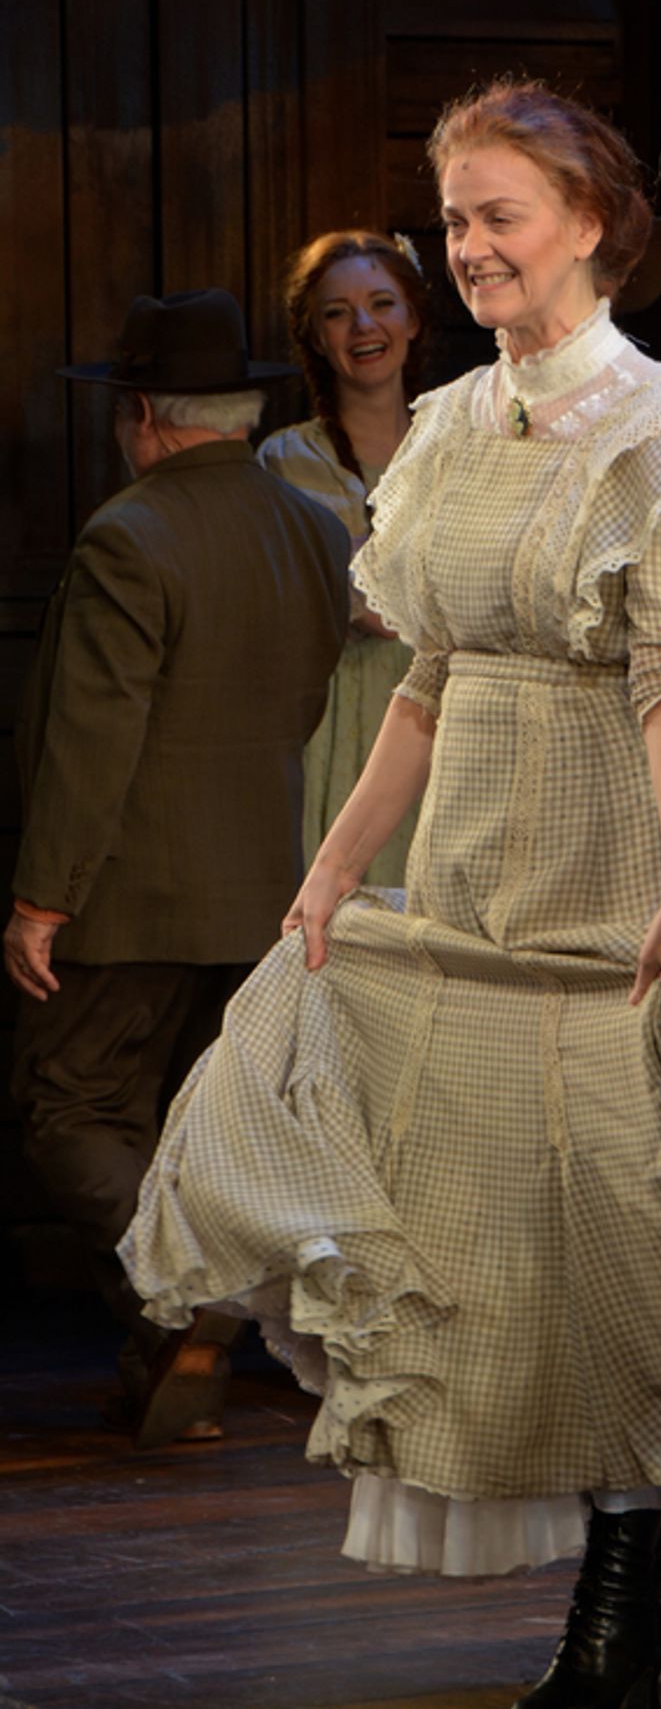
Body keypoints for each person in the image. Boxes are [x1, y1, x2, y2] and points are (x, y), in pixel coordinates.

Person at [121, 89, 661, 1709]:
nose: (475, 246)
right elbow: (427, 682)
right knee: (526, 1270)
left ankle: (630, 1615)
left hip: (612, 896)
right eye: (457, 220)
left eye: (502, 213)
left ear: (589, 223)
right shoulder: (448, 425)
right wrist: (338, 863)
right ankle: (633, 1607)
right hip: (477, 895)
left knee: (650, 1259)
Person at [6, 289, 349, 1445]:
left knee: (74, 1110)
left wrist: (44, 895)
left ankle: (185, 1302)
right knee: (194, 1130)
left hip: (131, 893)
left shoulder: (128, 533)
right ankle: (170, 1353)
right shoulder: (313, 533)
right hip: (259, 888)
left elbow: (92, 737)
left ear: (145, 414)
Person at [259, 229, 435, 885]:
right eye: (337, 312)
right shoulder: (284, 460)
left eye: (382, 303)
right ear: (315, 336)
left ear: (412, 318)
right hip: (325, 725)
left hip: (437, 724)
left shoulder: (457, 447)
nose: (363, 324)